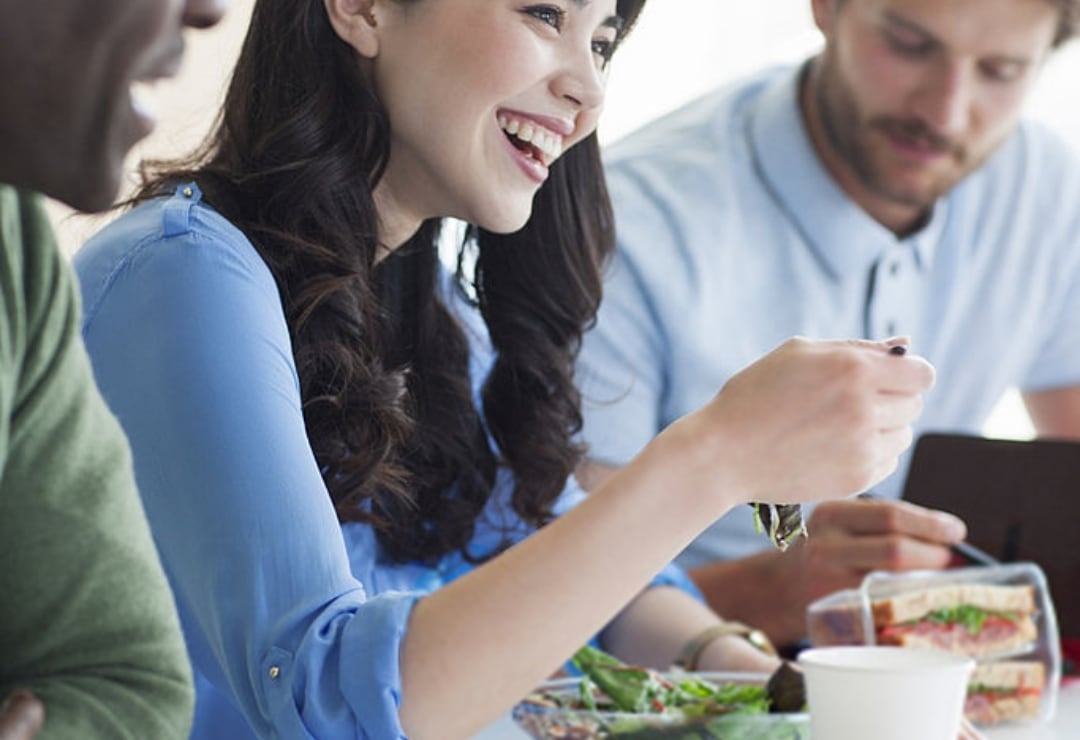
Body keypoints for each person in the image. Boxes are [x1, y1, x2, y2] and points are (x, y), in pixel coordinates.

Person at [72, 1, 934, 737]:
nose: (589, 89)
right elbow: (329, 703)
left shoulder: (429, 307)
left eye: (601, 41)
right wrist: (714, 454)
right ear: (363, 9)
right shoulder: (185, 276)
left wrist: (773, 690)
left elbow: (563, 561)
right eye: (544, 13)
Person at [575, 0, 1080, 649]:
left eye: (1001, 70)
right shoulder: (626, 231)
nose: (945, 112)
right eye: (908, 45)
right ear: (826, 8)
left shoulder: (1045, 193)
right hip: (680, 687)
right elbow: (544, 591)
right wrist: (775, 592)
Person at [0, 0, 229, 737]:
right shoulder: (188, 265)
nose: (209, 10)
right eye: (541, 12)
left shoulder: (16, 249)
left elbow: (131, 688)